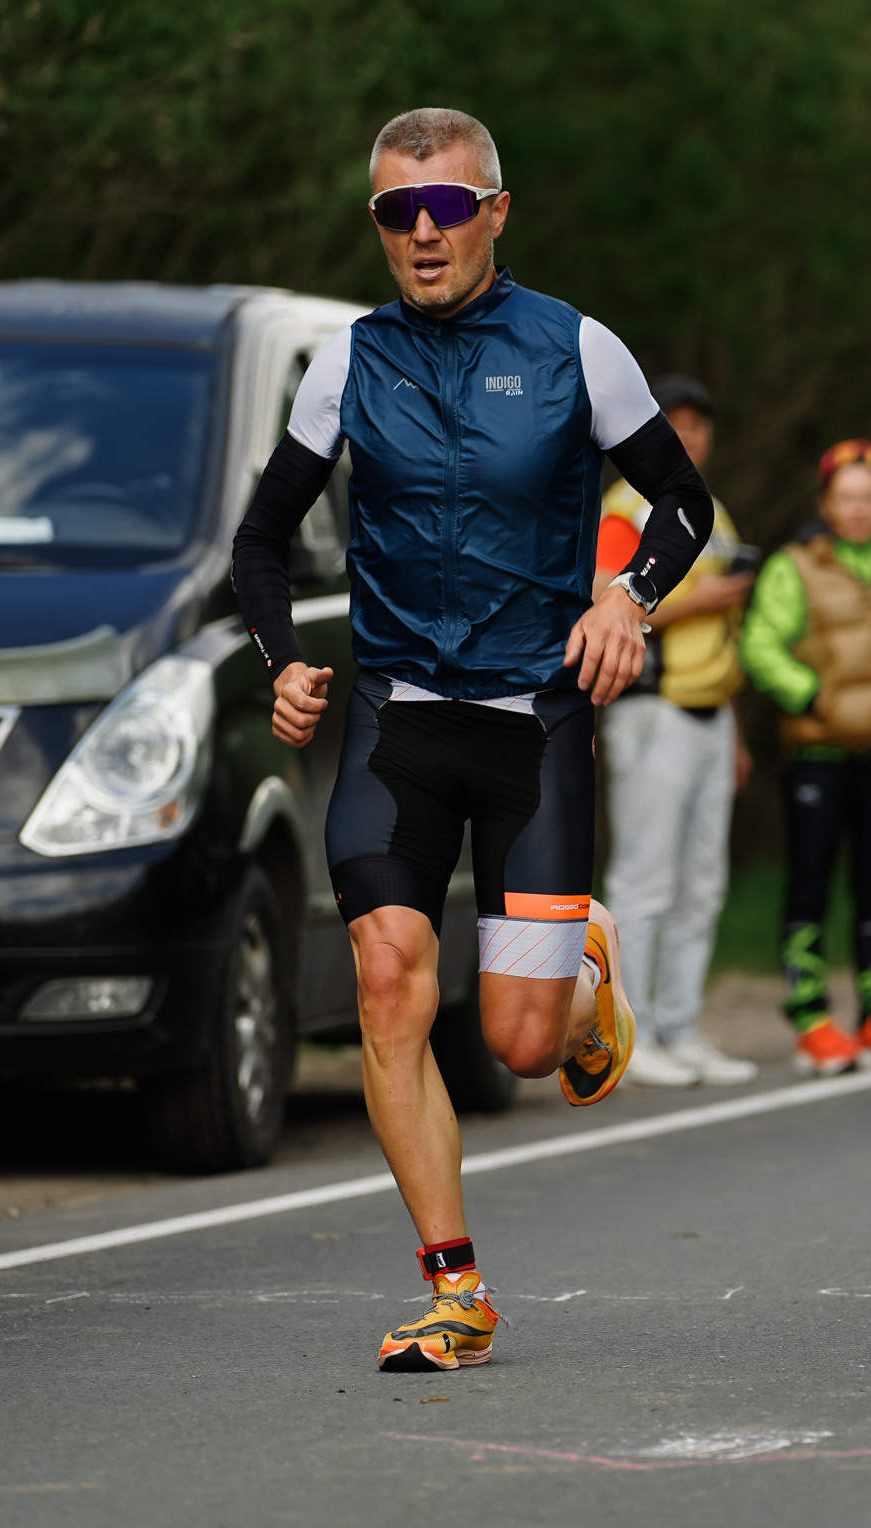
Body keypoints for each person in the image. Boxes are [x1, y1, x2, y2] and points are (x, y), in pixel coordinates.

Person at [231, 108, 713, 1373]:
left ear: (496, 212)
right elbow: (261, 539)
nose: (424, 233)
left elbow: (685, 501)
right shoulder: (346, 363)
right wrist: (283, 663)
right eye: (398, 212)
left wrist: (627, 599)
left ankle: (586, 973)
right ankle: (457, 1287)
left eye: (446, 207)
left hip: (533, 726)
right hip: (396, 722)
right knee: (389, 979)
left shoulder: (576, 348)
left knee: (522, 1044)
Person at [740, 440, 871, 1075]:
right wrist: (812, 696)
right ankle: (811, 1020)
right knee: (811, 883)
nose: (858, 509)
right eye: (846, 498)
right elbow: (760, 645)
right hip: (819, 753)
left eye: (869, 497)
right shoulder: (794, 567)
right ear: (825, 503)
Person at [592, 373, 759, 1088]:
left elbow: (729, 633)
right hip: (651, 708)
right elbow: (602, 600)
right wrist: (700, 600)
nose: (688, 434)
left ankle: (680, 1025)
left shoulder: (713, 514)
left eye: (699, 424)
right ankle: (628, 1036)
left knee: (702, 883)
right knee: (645, 881)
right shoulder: (626, 506)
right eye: (675, 421)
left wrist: (737, 732)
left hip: (711, 713)